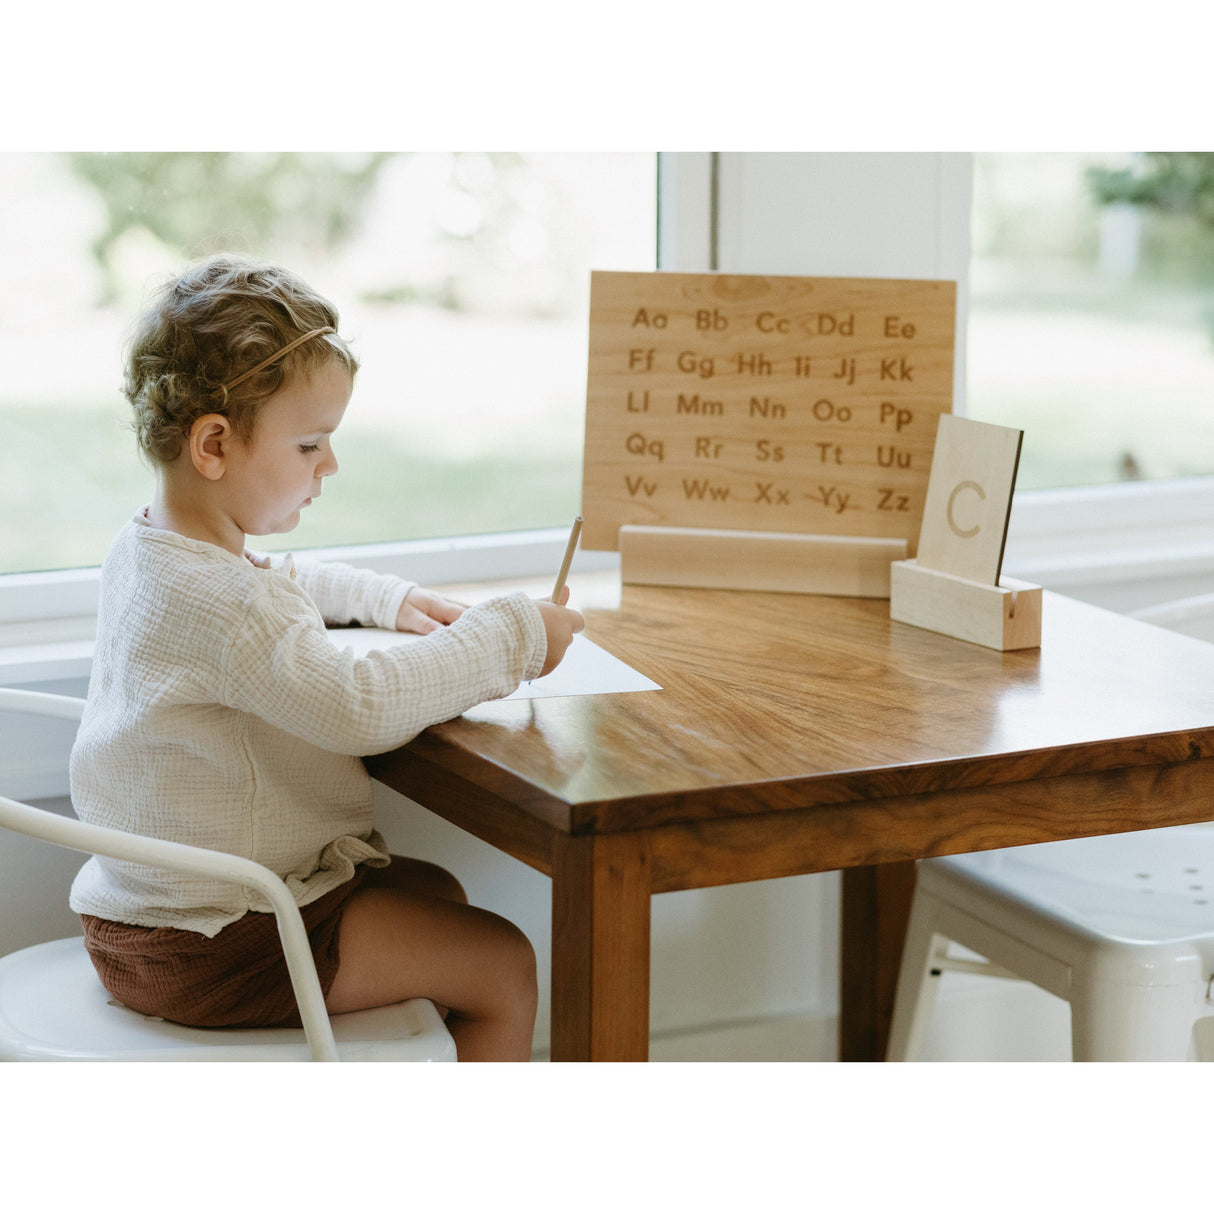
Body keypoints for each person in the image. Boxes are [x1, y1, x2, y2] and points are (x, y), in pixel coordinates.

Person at [68, 253, 584, 1061]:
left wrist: (386, 601)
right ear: (214, 444)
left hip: (145, 915)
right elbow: (358, 707)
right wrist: (514, 636)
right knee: (505, 967)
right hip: (218, 945)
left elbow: (278, 586)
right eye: (310, 444)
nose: (330, 467)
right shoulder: (229, 604)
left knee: (435, 895)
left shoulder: (153, 547)